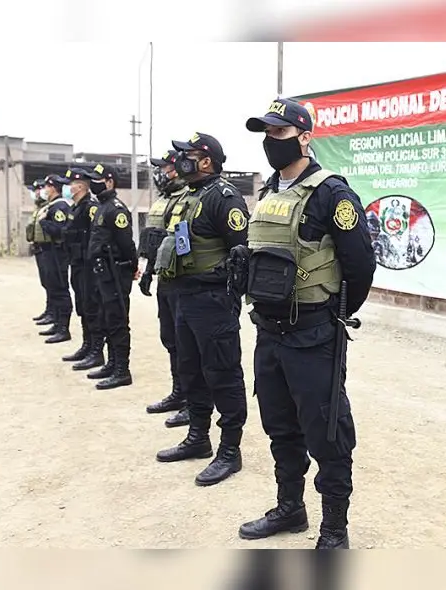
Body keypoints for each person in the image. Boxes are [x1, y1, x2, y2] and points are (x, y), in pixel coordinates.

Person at [238, 98, 375, 549]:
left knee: (328, 432)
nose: (269, 141)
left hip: (313, 333)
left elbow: (360, 266)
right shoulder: (269, 194)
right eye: (266, 133)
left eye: (278, 133)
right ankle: (289, 507)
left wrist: (333, 314)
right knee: (280, 425)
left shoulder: (332, 193)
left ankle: (334, 529)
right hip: (268, 332)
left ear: (304, 137)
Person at [153, 132, 249, 489]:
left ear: (206, 161)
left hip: (213, 300)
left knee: (222, 373)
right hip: (184, 296)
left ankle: (229, 450)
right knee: (190, 369)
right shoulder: (191, 196)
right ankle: (198, 436)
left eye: (188, 155)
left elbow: (241, 253)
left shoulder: (224, 197)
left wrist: (226, 292)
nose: (180, 161)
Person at [141, 149, 194, 429]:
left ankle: (191, 400)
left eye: (168, 167)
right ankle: (179, 392)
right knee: (170, 339)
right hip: (164, 277)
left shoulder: (188, 197)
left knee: (186, 344)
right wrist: (148, 271)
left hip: (182, 279)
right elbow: (155, 242)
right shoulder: (162, 201)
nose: (163, 172)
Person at [85, 164, 137, 390]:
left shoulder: (116, 209)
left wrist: (133, 266)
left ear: (109, 181)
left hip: (116, 272)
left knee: (117, 320)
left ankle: (122, 370)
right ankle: (112, 362)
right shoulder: (101, 207)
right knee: (106, 318)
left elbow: (127, 244)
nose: (93, 183)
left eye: (97, 179)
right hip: (102, 273)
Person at [59, 168, 105, 371]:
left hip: (88, 266)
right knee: (83, 306)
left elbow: (95, 236)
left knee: (92, 307)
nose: (68, 188)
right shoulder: (75, 207)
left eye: (71, 184)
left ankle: (97, 351)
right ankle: (87, 345)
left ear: (80, 186)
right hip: (77, 264)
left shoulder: (90, 207)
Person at [34, 174, 73, 344]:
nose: (44, 190)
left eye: (46, 187)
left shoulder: (60, 207)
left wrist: (44, 224)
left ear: (53, 188)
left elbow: (60, 230)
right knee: (52, 287)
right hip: (47, 251)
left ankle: (63, 328)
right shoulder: (51, 206)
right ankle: (57, 323)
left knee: (60, 289)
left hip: (56, 252)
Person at [26, 180, 51, 323]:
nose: (35, 193)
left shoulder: (49, 208)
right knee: (46, 282)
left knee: (51, 282)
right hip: (39, 248)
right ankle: (49, 310)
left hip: (47, 249)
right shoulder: (39, 208)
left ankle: (53, 313)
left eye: (38, 189)